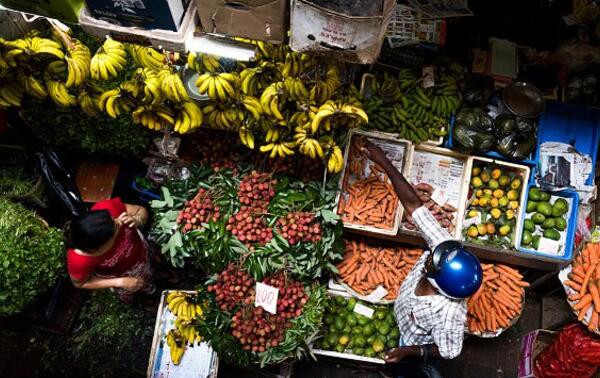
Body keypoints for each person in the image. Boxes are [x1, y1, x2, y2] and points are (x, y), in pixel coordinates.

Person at [360, 139, 483, 378]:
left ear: (440, 286)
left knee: (410, 372)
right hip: (403, 317)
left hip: (413, 342)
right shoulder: (444, 248)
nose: (428, 258)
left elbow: (449, 351)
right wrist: (384, 161)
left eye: (430, 266)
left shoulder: (448, 315)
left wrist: (410, 350)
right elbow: (414, 205)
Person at [66, 197, 155, 302]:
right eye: (116, 228)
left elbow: (141, 210)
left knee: (154, 264)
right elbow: (80, 283)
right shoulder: (79, 261)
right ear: (100, 247)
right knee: (138, 292)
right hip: (123, 276)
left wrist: (137, 220)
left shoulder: (108, 208)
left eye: (114, 219)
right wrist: (119, 282)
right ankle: (148, 300)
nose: (119, 221)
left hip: (142, 250)